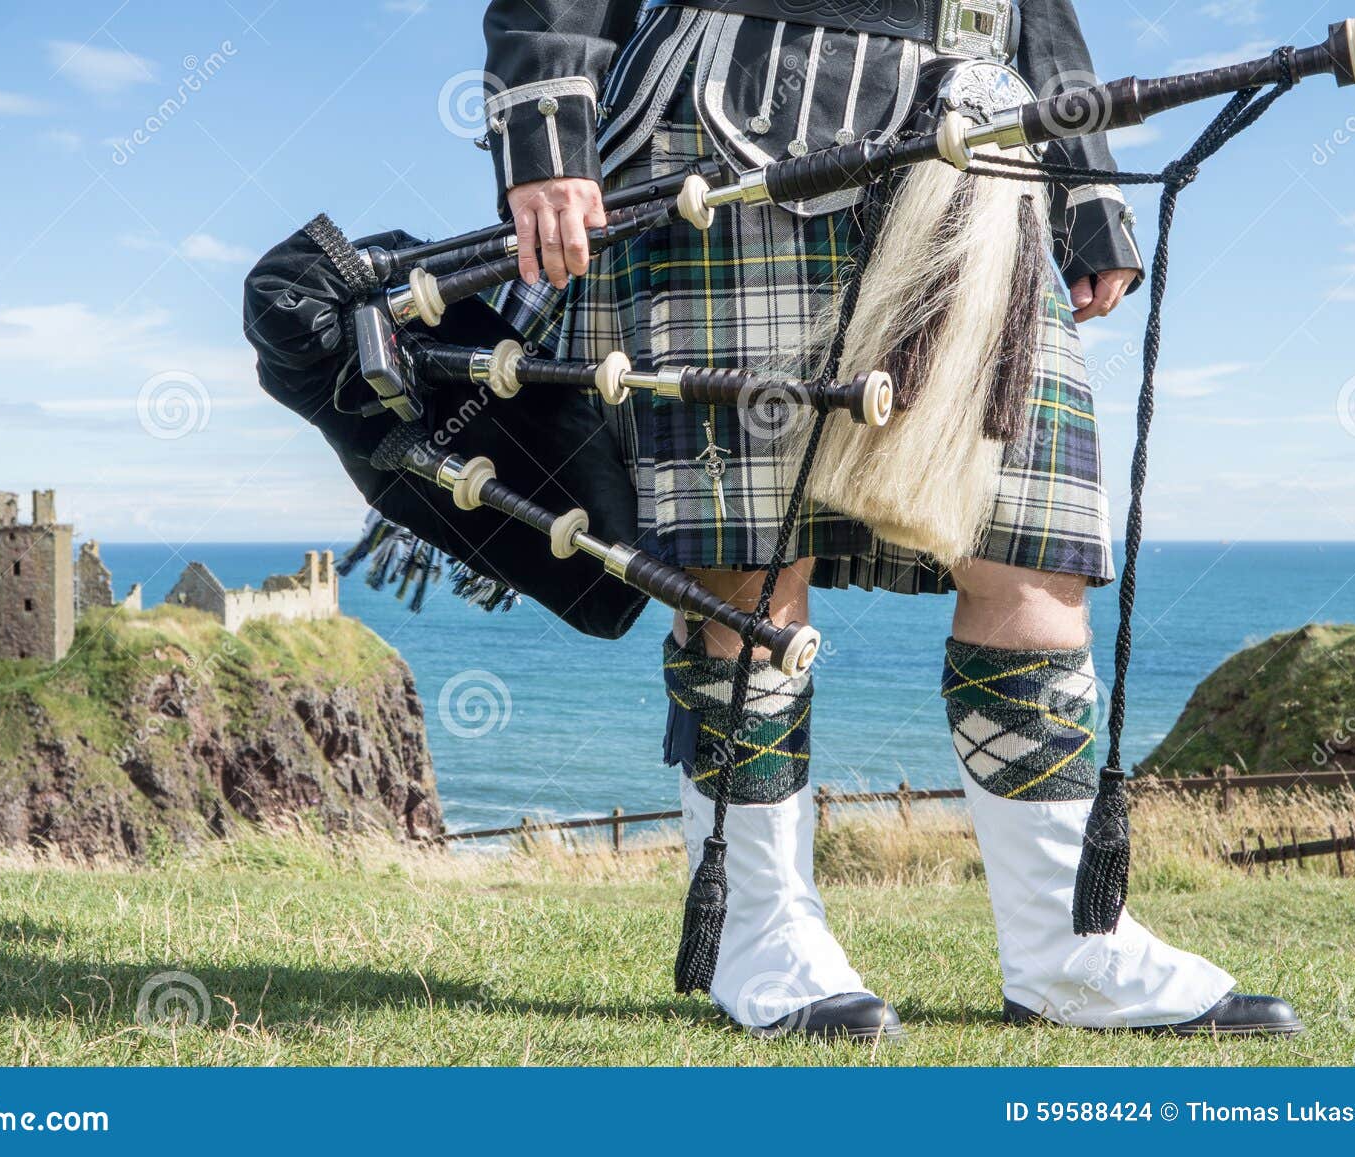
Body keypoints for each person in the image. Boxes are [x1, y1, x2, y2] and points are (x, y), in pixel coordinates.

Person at [482, 0, 1300, 1040]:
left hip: (982, 141)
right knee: (749, 561)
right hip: (740, 109)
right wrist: (547, 127)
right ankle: (761, 932)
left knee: (1030, 546)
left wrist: (1084, 181)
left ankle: (1069, 949)